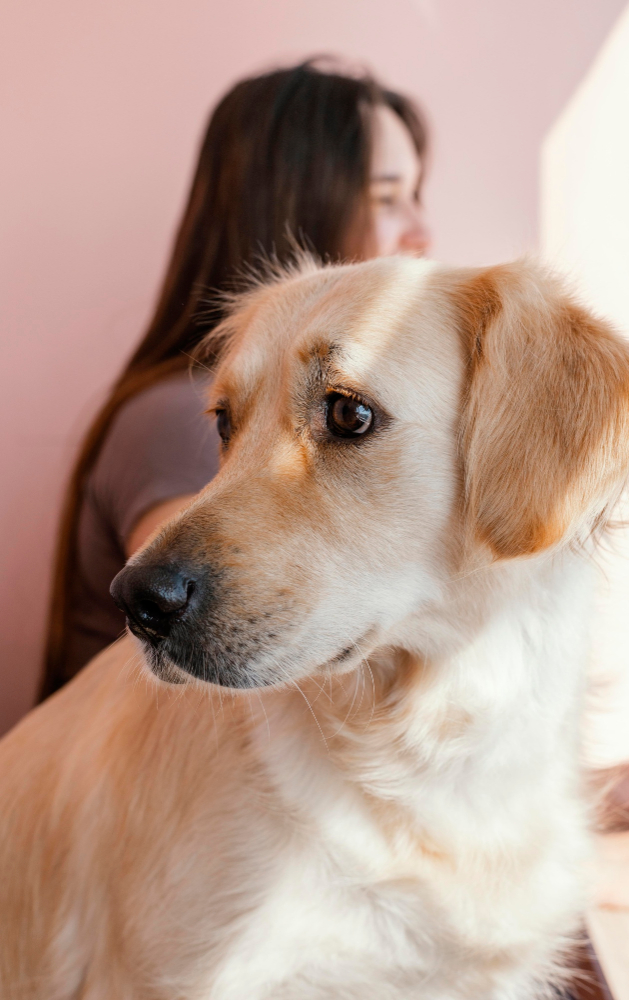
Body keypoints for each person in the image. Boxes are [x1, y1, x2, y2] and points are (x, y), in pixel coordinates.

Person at [39, 59, 430, 700]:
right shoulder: (173, 416)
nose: (420, 234)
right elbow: (225, 629)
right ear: (298, 204)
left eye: (418, 194)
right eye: (387, 197)